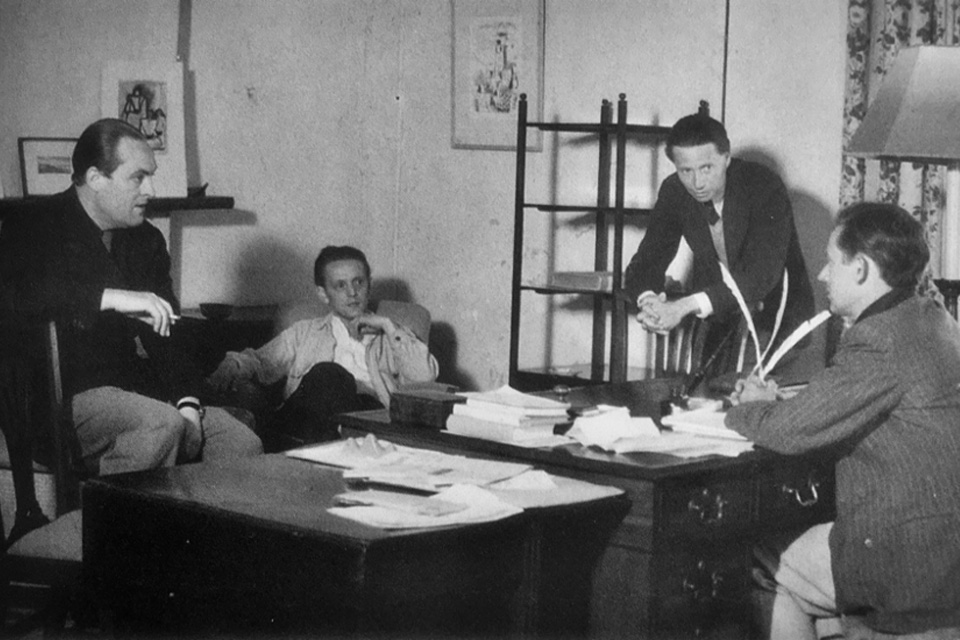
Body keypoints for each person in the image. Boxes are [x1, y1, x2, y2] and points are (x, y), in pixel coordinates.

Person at [726, 202, 960, 639]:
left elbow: (785, 431)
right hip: (945, 549)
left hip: (910, 565)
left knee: (764, 563)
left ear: (862, 269)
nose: (821, 275)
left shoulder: (879, 338)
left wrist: (747, 408)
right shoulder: (934, 319)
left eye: (831, 262)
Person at [0, 118, 263, 476]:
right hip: (56, 402)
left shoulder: (146, 240)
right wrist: (111, 297)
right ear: (95, 179)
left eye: (151, 176)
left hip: (138, 394)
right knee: (160, 424)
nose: (151, 189)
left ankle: (197, 531)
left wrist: (188, 402)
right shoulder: (31, 223)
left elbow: (168, 334)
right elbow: (18, 295)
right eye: (138, 177)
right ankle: (114, 529)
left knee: (241, 442)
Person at [623, 111, 814, 377]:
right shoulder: (674, 190)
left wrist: (682, 306)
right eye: (685, 170)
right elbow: (647, 260)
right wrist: (649, 302)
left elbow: (759, 276)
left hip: (773, 318)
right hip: (719, 316)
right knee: (702, 401)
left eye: (706, 168)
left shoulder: (763, 184)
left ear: (726, 158)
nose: (697, 182)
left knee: (743, 402)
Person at [207, 245, 439, 446]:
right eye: (340, 285)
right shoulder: (305, 331)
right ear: (323, 293)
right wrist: (232, 365)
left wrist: (388, 326)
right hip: (306, 417)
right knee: (330, 375)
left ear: (369, 284)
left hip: (364, 419)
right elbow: (260, 361)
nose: (352, 293)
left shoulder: (393, 336)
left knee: (350, 391)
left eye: (358, 282)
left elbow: (425, 378)